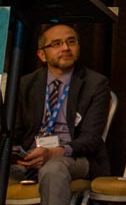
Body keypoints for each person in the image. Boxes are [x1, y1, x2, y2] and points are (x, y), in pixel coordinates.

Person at [10, 24, 110, 205]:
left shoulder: (95, 84)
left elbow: (91, 139)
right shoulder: (25, 84)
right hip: (31, 158)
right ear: (42, 54)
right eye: (56, 44)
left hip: (75, 157)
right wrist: (19, 153)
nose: (66, 48)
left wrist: (57, 152)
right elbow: (15, 132)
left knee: (53, 169)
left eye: (71, 42)